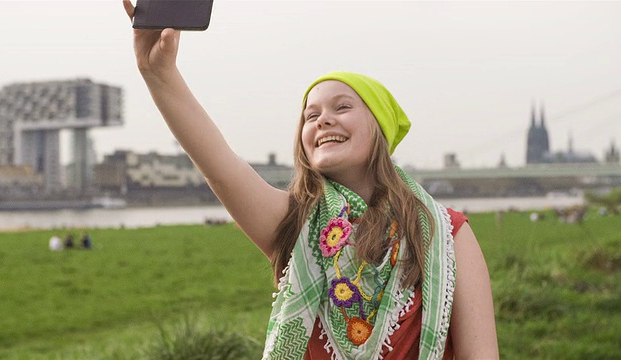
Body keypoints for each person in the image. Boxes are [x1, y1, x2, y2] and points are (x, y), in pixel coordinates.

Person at [121, 2, 499, 358]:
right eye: (310, 115)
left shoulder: (448, 234)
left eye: (343, 107)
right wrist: (159, 73)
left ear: (380, 128)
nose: (322, 120)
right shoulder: (294, 222)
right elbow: (220, 164)